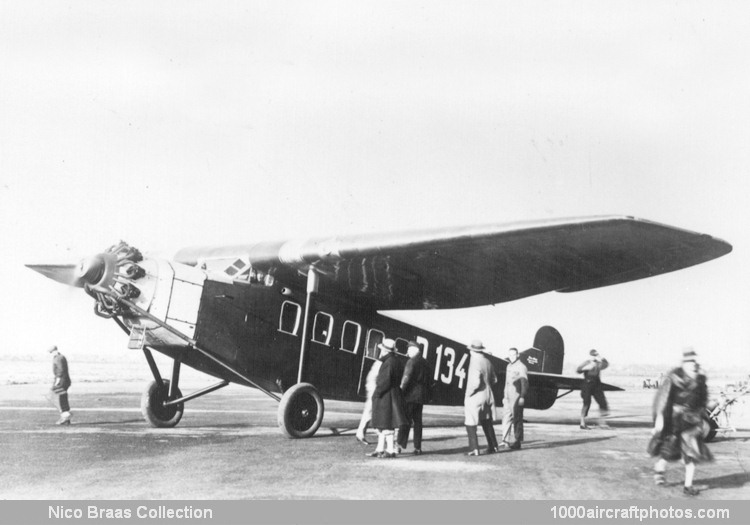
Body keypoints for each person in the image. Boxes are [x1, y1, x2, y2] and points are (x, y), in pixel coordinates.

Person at [649, 348, 712, 496]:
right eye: (689, 362)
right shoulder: (673, 378)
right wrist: (659, 419)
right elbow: (662, 400)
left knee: (691, 455)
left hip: (691, 423)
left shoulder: (701, 381)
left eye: (694, 361)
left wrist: (705, 414)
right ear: (683, 364)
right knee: (670, 451)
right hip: (674, 421)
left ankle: (687, 486)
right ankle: (659, 469)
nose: (693, 365)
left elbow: (703, 402)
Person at [368, 338, 406, 458]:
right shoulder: (396, 361)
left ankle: (389, 450)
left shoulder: (388, 362)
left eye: (382, 350)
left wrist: (377, 393)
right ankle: (380, 449)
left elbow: (385, 381)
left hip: (386, 396)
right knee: (383, 424)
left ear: (385, 350)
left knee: (386, 424)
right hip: (393, 394)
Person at [463, 340, 499, 456]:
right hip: (488, 395)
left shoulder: (474, 361)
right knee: (486, 421)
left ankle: (474, 449)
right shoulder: (487, 361)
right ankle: (493, 446)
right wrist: (487, 387)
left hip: (476, 395)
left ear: (473, 351)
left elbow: (475, 382)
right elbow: (495, 379)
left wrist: (468, 394)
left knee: (470, 421)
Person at [397, 341, 431, 455]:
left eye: (409, 349)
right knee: (418, 422)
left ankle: (399, 445)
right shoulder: (426, 362)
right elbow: (430, 381)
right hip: (421, 397)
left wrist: (401, 390)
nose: (407, 352)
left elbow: (406, 377)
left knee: (405, 420)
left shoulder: (411, 362)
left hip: (410, 396)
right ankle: (417, 447)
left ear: (415, 350)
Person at [501, 347, 528, 450]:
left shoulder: (521, 367)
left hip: (516, 397)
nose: (511, 357)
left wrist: (522, 396)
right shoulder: (508, 366)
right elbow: (506, 383)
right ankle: (505, 440)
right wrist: (504, 396)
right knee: (506, 418)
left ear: (517, 355)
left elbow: (524, 383)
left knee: (517, 419)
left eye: (513, 355)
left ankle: (517, 441)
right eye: (510, 355)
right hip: (508, 397)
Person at [576, 349, 610, 429]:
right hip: (587, 384)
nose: (595, 357)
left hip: (597, 385)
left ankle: (602, 422)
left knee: (603, 402)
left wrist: (601, 357)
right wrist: (586, 368)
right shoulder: (587, 362)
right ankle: (582, 423)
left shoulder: (599, 364)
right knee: (587, 403)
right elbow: (578, 370)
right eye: (594, 355)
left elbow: (606, 364)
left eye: (596, 355)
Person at [355, 358, 382, 445]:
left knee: (370, 411)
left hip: (372, 387)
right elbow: (375, 377)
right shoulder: (381, 362)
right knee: (370, 411)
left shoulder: (379, 361)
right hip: (374, 388)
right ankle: (375, 431)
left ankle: (361, 433)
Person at [47, 346, 72, 425]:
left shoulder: (58, 358)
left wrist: (58, 380)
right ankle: (66, 416)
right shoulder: (61, 357)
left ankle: (65, 415)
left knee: (53, 395)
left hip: (61, 380)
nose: (50, 354)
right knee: (62, 396)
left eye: (50, 352)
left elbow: (61, 370)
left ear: (54, 351)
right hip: (64, 380)